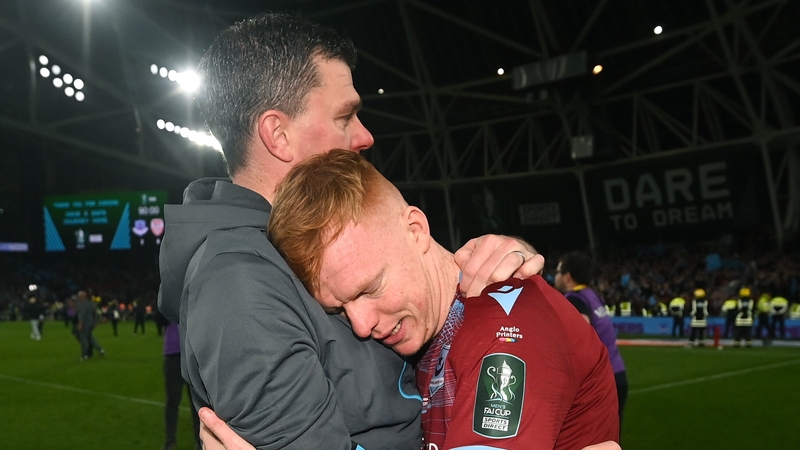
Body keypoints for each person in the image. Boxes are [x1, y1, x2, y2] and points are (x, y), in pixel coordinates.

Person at [157, 13, 544, 450]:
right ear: (277, 134)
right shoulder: (238, 282)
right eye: (346, 117)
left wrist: (500, 261)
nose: (364, 136)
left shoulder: (315, 240)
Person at [204, 150, 619, 449]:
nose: (362, 324)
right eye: (340, 309)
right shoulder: (430, 331)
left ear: (416, 229)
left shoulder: (508, 321)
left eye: (368, 289)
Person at [554, 251, 628, 431]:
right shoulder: (593, 296)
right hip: (617, 373)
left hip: (599, 381)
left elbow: (579, 338)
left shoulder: (574, 299)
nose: (555, 276)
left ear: (568, 276)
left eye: (558, 271)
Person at [161, 321, 201, 450]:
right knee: (172, 401)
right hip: (174, 352)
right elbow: (159, 315)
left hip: (193, 352)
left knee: (197, 403)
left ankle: (200, 442)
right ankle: (170, 441)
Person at [76, 290, 104, 360]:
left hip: (84, 324)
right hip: (90, 323)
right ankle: (100, 349)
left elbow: (82, 315)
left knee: (83, 339)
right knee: (90, 338)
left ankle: (85, 355)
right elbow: (95, 313)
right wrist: (95, 323)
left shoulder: (83, 304)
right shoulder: (90, 303)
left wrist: (80, 324)